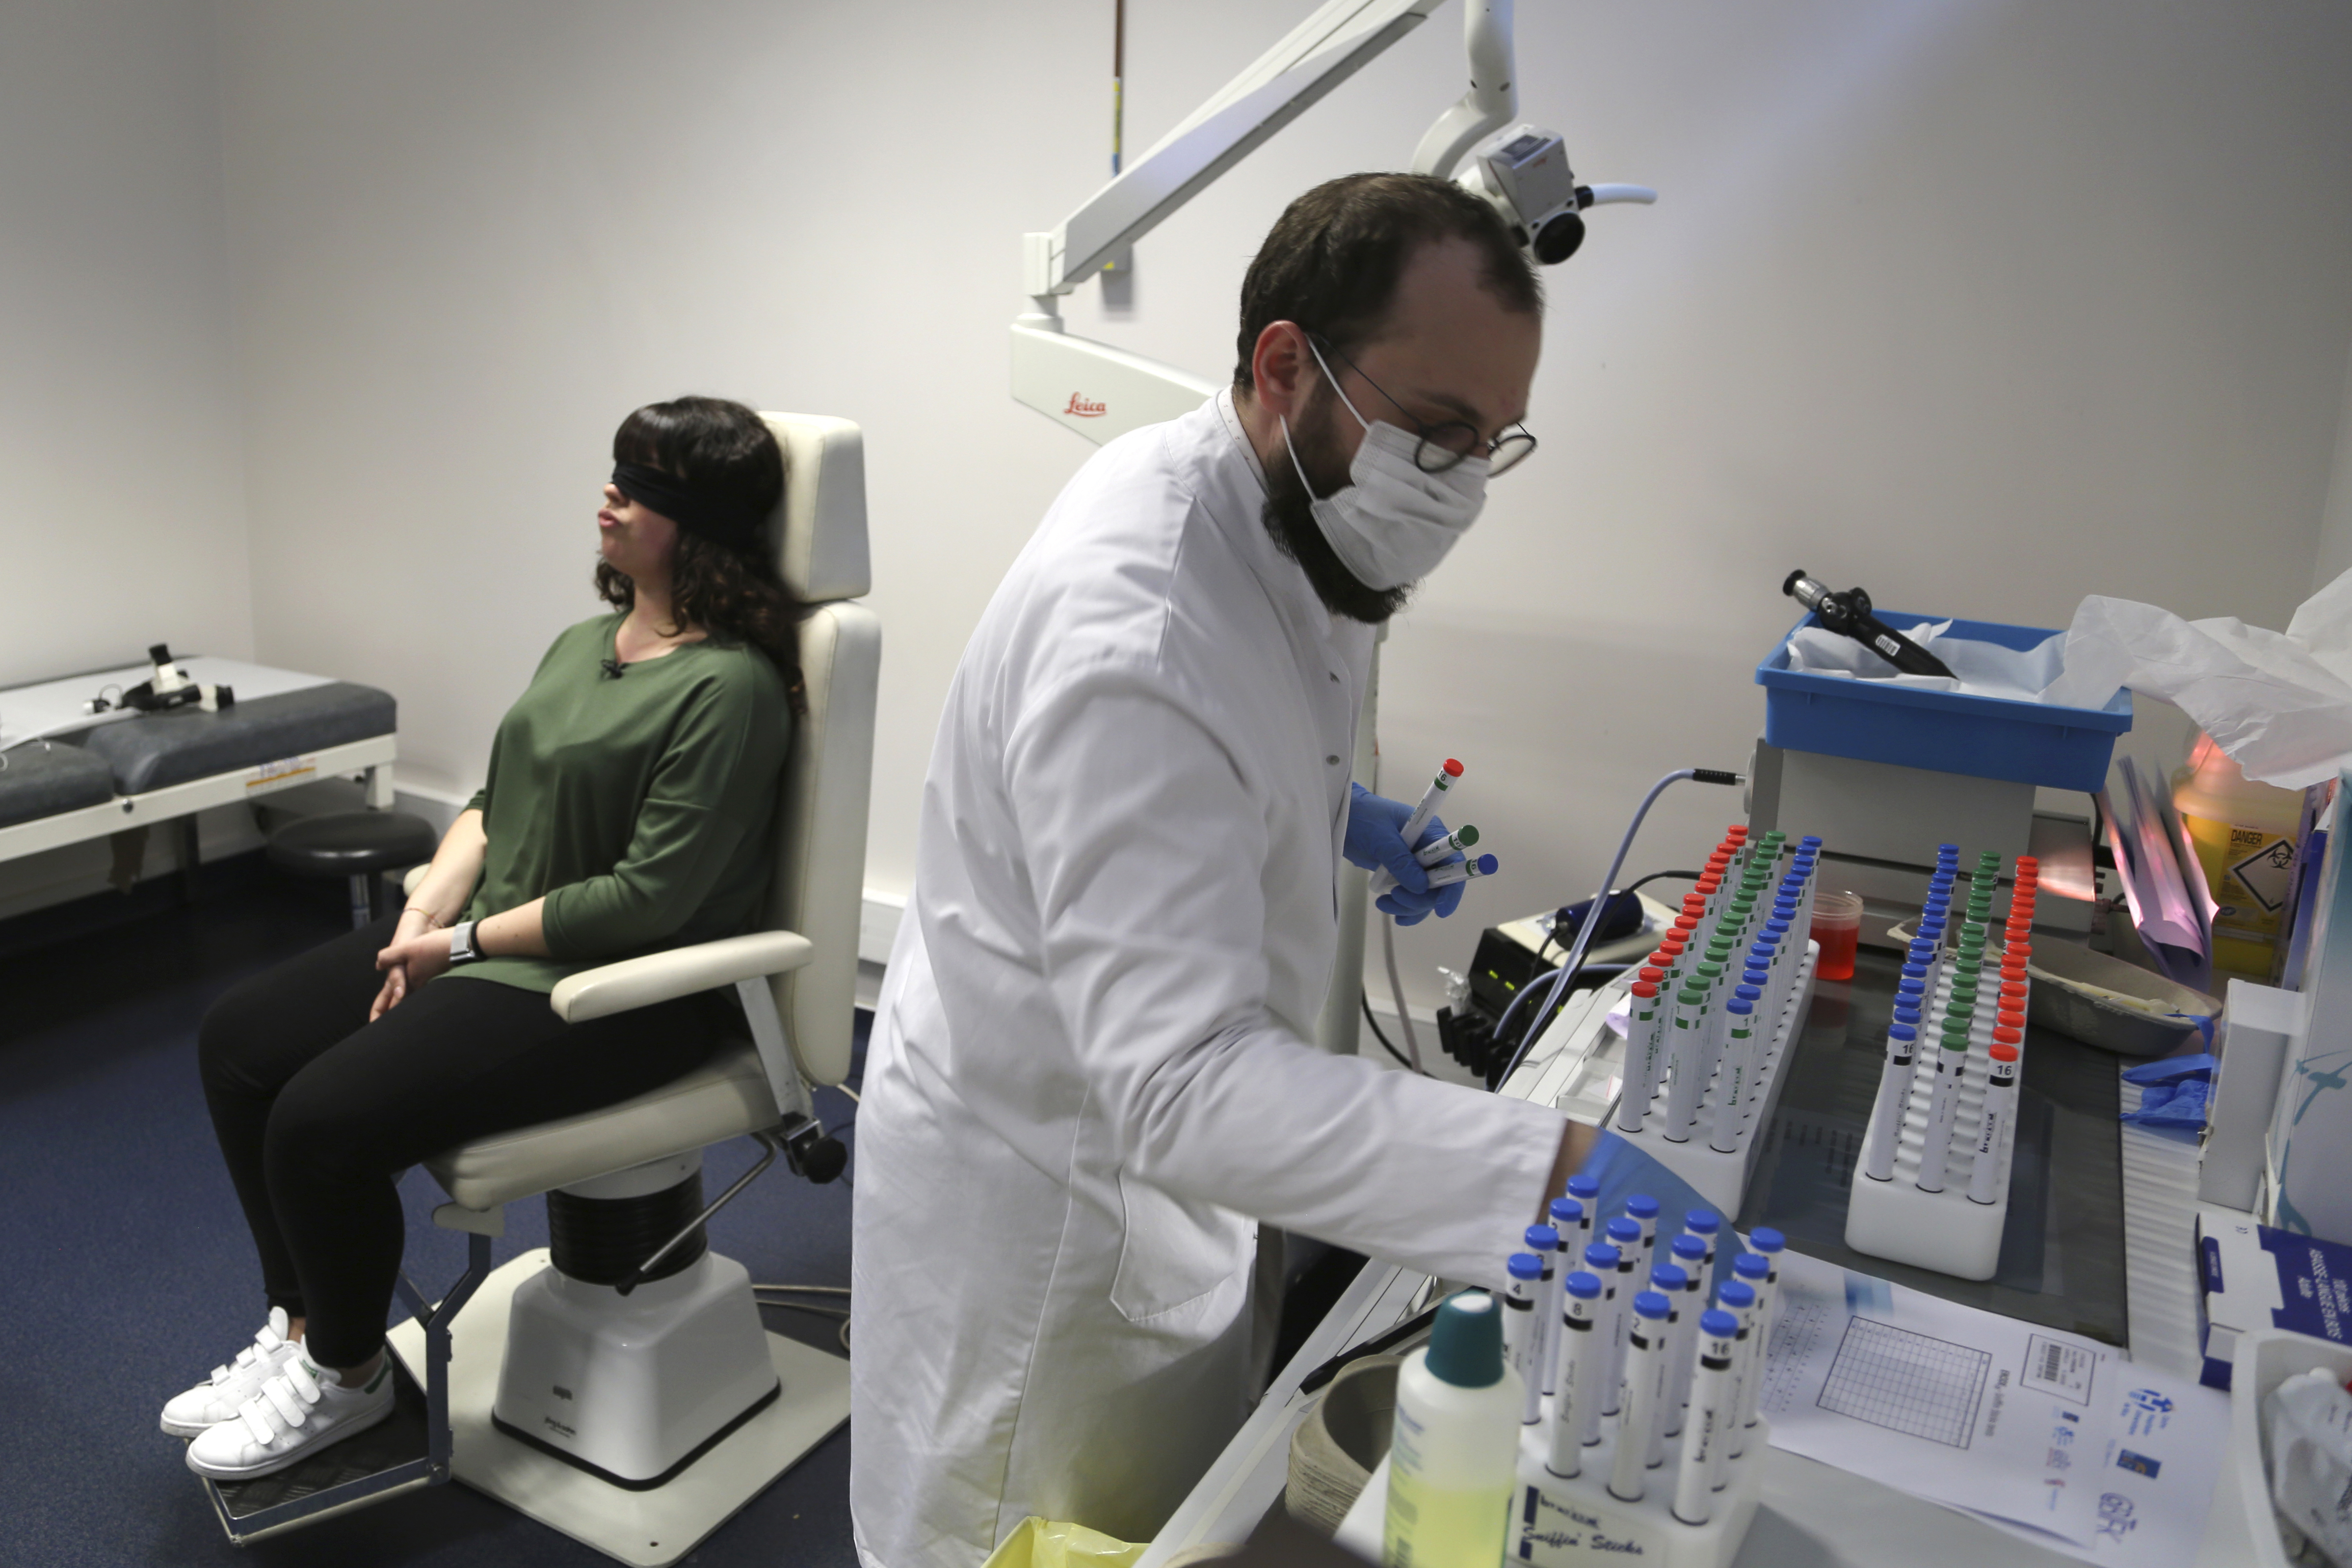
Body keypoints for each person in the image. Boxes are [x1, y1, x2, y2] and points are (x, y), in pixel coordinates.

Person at [849, 173, 1597, 1568]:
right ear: (1280, 364)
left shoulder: (1296, 507)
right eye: (1438, 434)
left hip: (1153, 1191)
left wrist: (1333, 811)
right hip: (1047, 1223)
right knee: (1037, 1530)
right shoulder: (1130, 623)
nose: (1460, 492)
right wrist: (1553, 1173)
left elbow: (1239, 732)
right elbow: (1185, 1085)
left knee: (1172, 1514)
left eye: (1494, 445)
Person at [168, 396, 797, 1481]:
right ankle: (306, 1323)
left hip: (619, 990)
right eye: (616, 472)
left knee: (321, 1119)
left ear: (697, 523)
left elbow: (647, 898)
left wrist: (455, 945)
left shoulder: (730, 689)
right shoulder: (583, 643)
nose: (610, 494)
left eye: (639, 485)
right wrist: (419, 917)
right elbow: (495, 803)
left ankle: (351, 1378)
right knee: (240, 1042)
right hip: (492, 939)